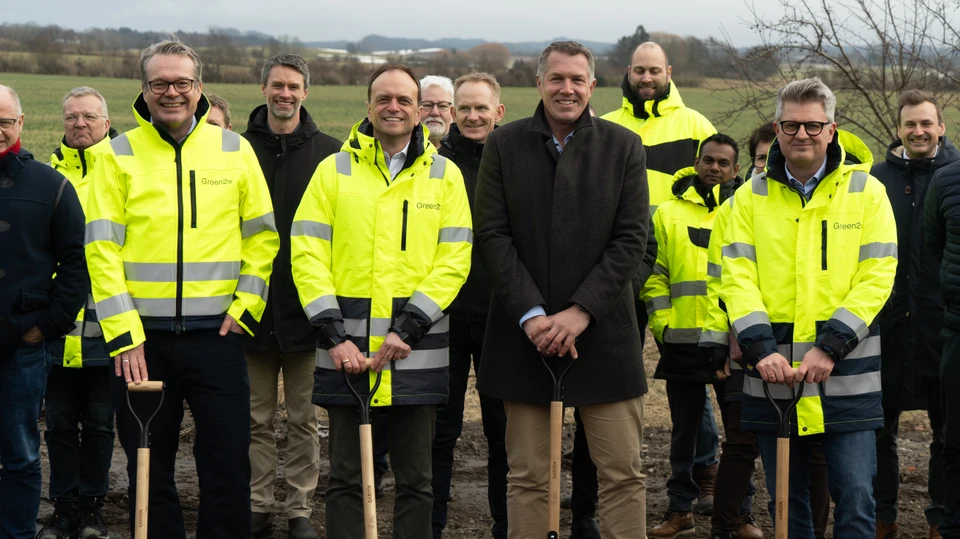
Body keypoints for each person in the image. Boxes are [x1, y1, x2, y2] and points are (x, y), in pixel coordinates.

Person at [84, 39, 279, 538]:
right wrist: (125, 334)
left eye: (182, 83)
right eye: (160, 83)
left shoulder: (237, 151)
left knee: (228, 467)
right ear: (144, 91)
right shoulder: (117, 154)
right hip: (141, 346)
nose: (172, 92)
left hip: (218, 338)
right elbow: (101, 251)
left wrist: (247, 306)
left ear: (200, 89)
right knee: (149, 470)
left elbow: (262, 238)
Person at [475, 40, 650, 539]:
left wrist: (580, 312)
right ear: (538, 83)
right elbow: (493, 234)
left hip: (605, 336)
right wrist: (532, 315)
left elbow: (631, 239)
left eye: (577, 79)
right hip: (522, 337)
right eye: (556, 78)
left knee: (622, 473)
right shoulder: (504, 145)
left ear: (592, 86)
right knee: (529, 476)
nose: (566, 88)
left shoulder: (623, 147)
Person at [291, 62, 472, 538]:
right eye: (384, 99)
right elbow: (307, 253)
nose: (394, 107)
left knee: (417, 479)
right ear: (368, 106)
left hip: (417, 348)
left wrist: (406, 329)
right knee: (347, 477)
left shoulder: (445, 176)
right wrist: (333, 336)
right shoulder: (333, 171)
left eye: (404, 100)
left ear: (418, 111)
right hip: (344, 350)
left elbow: (454, 260)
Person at [721, 77, 896, 538]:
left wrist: (830, 347)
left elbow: (877, 277)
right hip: (773, 372)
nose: (802, 134)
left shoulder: (867, 191)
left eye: (813, 126)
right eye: (792, 125)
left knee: (856, 501)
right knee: (786, 505)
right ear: (776, 129)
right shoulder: (749, 196)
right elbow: (736, 278)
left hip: (848, 372)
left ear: (832, 129)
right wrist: (761, 351)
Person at [602, 39, 720, 518]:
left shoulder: (696, 126)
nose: (646, 78)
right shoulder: (606, 126)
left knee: (695, 374)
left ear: (668, 71)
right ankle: (605, 470)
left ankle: (705, 475)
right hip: (618, 267)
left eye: (655, 70)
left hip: (680, 269)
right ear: (627, 72)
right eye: (639, 71)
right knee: (609, 371)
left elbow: (719, 192)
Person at [242, 52, 341, 539]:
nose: (284, 94)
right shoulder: (235, 151)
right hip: (251, 310)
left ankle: (299, 509)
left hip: (310, 314)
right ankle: (259, 504)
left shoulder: (332, 154)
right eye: (276, 85)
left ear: (306, 91)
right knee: (257, 418)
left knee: (303, 420)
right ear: (264, 89)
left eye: (293, 86)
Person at [0, 84, 87, 539]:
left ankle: (15, 533)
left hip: (23, 346)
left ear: (21, 123)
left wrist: (46, 328)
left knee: (20, 453)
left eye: (5, 121)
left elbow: (76, 263)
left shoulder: (51, 186)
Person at [643, 133, 741, 538]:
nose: (714, 168)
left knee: (739, 438)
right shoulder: (666, 212)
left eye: (723, 163)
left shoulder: (745, 211)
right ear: (697, 163)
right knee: (682, 436)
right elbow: (656, 275)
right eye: (708, 161)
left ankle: (740, 515)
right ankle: (679, 510)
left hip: (732, 344)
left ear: (736, 170)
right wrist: (663, 325)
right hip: (681, 341)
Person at [874, 89, 959, 539]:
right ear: (900, 129)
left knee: (948, 433)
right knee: (877, 429)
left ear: (941, 127)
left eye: (927, 123)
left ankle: (942, 519)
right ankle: (882, 516)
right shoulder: (874, 179)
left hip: (942, 326)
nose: (919, 131)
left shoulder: (957, 177)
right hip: (885, 325)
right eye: (910, 124)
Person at [431, 71, 508, 539]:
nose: (474, 116)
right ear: (452, 112)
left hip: (502, 318)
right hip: (443, 316)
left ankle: (507, 525)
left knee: (503, 433)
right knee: (440, 431)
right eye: (465, 108)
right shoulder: (434, 163)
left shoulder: (515, 160)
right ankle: (432, 525)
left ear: (498, 112)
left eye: (483, 108)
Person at [39, 86, 119, 539]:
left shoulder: (126, 169)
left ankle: (93, 508)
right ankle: (64, 508)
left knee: (101, 423)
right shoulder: (46, 174)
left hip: (110, 323)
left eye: (89, 116)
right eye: (71, 117)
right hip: (57, 325)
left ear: (106, 123)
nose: (80, 124)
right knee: (60, 424)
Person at [924, 101, 960, 539]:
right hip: (958, 330)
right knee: (955, 437)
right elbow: (934, 244)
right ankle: (953, 524)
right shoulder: (946, 179)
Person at [420, 75, 455, 148]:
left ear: (453, 112)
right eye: (427, 105)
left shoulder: (464, 153)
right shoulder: (401, 152)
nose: (435, 113)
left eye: (442, 106)